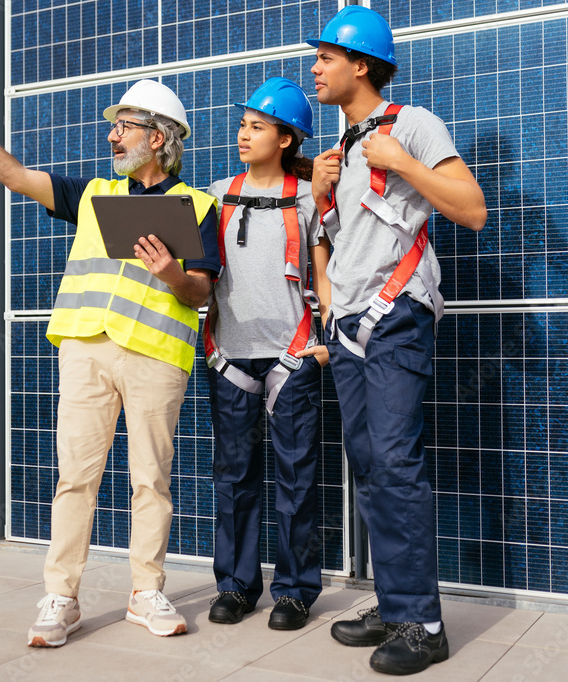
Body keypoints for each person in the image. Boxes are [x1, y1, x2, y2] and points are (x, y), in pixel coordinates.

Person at [0, 70, 221, 646]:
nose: (112, 137)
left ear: (157, 138)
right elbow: (13, 175)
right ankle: (61, 598)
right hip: (86, 351)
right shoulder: (92, 195)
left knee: (150, 481)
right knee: (75, 479)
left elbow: (201, 292)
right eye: (114, 129)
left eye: (124, 128)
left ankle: (145, 593)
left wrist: (170, 273)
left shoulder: (197, 206)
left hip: (156, 359)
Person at [306, 7, 486, 676]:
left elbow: (471, 210)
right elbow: (340, 247)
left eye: (326, 57)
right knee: (372, 465)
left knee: (396, 462)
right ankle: (394, 600)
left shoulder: (411, 125)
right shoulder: (343, 148)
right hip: (348, 328)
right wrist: (322, 199)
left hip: (396, 317)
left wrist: (403, 159)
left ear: (360, 63)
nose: (314, 68)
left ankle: (423, 623)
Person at [203, 78, 330, 631]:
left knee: (296, 477)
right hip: (228, 357)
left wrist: (323, 344)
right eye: (242, 124)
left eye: (257, 127)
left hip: (292, 356)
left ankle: (296, 591)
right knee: (233, 477)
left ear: (286, 139)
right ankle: (236, 586)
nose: (243, 134)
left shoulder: (308, 199)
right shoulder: (213, 193)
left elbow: (326, 272)